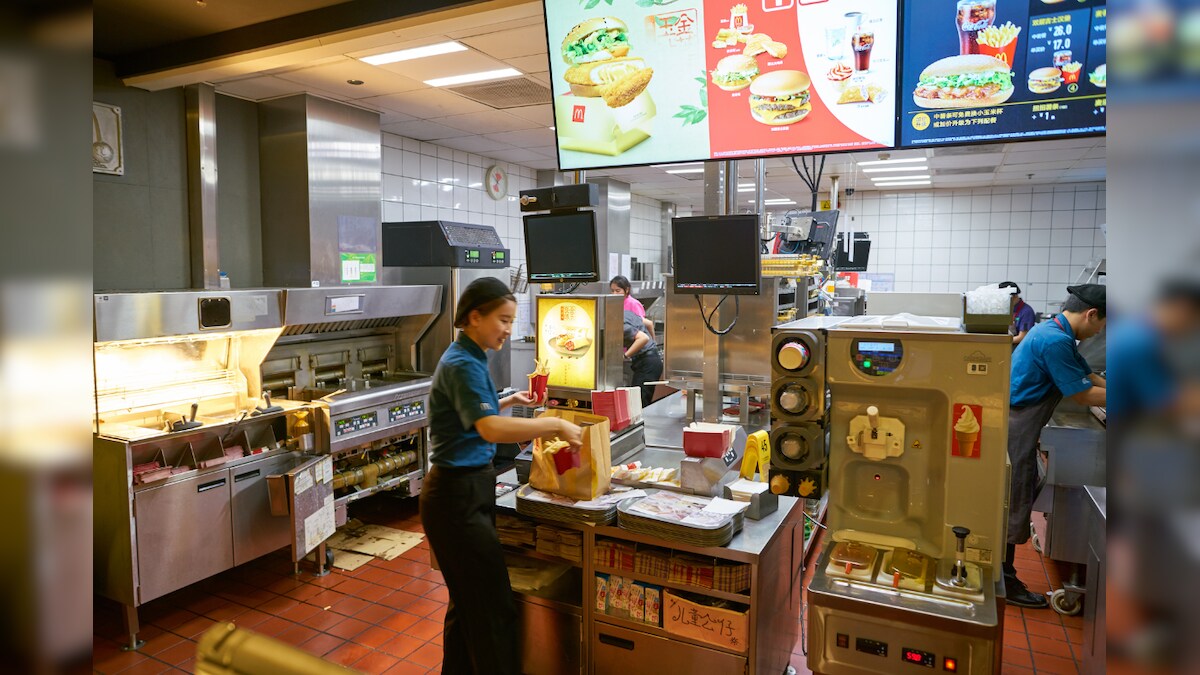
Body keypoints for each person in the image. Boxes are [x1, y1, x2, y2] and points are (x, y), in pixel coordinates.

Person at [420, 277, 582, 675]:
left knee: (467, 607)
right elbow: (489, 429)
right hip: (456, 498)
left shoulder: (469, 356)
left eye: (512, 321)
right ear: (474, 316)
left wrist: (510, 399)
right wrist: (553, 425)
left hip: (463, 492)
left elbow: (475, 413)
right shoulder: (462, 363)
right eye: (502, 320)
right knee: (492, 612)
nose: (508, 330)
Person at [1003, 284, 1107, 608]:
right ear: (1091, 314)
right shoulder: (1055, 339)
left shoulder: (1054, 330)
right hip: (1016, 428)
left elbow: (1087, 376)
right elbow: (1081, 394)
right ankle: (1004, 581)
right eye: (1102, 324)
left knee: (1012, 501)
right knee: (1012, 502)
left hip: (1020, 424)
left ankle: (1003, 576)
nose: (1100, 331)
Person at [622, 309, 663, 407]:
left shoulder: (620, 324)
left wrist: (625, 355)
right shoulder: (627, 313)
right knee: (639, 399)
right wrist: (653, 344)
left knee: (639, 402)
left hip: (646, 362)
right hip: (653, 359)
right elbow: (649, 323)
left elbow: (643, 338)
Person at [610, 275, 655, 341]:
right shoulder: (614, 304)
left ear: (627, 289)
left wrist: (653, 342)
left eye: (618, 291)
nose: (614, 293)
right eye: (612, 291)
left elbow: (645, 324)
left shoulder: (634, 304)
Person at [999, 281, 1037, 346]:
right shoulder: (1006, 308)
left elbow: (1022, 337)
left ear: (1014, 296)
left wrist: (1000, 341)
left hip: (1018, 348)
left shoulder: (1026, 311)